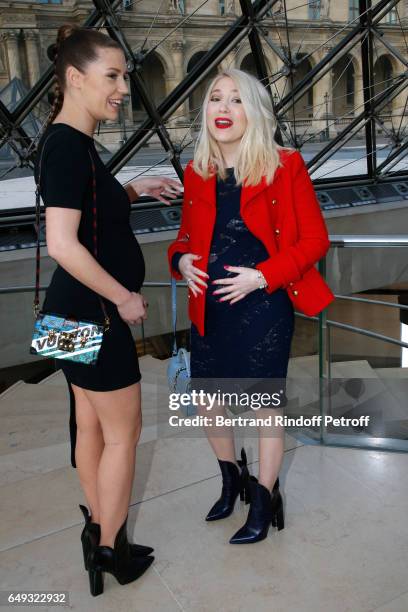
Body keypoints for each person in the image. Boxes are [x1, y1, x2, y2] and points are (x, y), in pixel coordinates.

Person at [34, 25, 183, 595]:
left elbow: (87, 205)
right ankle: (110, 551)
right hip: (94, 316)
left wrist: (132, 190)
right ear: (76, 77)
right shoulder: (71, 146)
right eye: (113, 76)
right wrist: (122, 297)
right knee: (124, 433)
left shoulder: (63, 139)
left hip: (63, 319)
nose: (124, 87)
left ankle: (99, 531)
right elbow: (63, 243)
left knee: (89, 425)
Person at [168, 68, 334, 544]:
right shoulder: (197, 171)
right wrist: (180, 262)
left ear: (254, 111)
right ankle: (231, 481)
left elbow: (314, 240)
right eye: (215, 98)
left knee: (264, 408)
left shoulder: (286, 165)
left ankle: (264, 497)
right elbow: (183, 238)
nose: (223, 108)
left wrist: (263, 276)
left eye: (236, 100)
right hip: (210, 308)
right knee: (207, 402)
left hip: (263, 306)